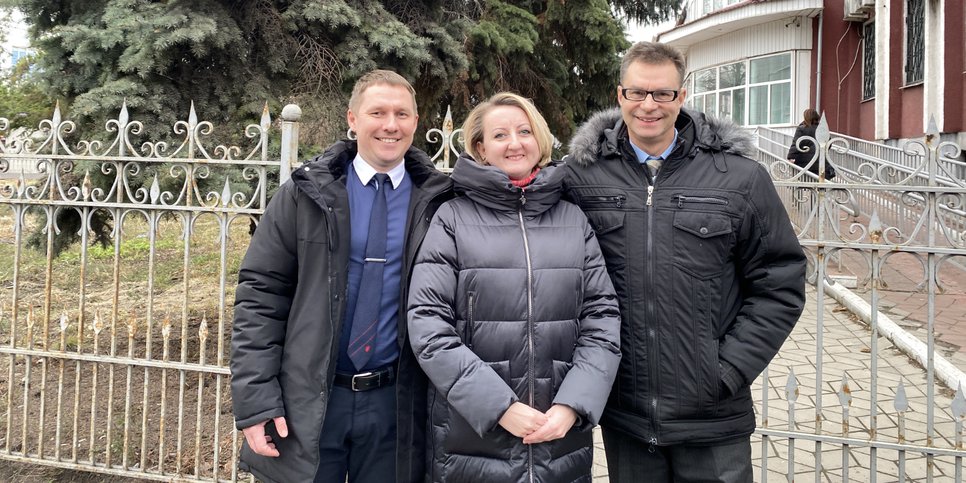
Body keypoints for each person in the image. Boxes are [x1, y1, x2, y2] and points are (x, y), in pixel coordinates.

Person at [563, 41, 807, 483]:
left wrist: (728, 369)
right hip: (627, 410)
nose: (649, 105)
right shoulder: (583, 176)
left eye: (662, 94)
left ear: (682, 96)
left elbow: (780, 282)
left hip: (712, 415)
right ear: (620, 96)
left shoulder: (739, 178)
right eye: (637, 93)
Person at [229, 69, 453, 483]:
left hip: (396, 407)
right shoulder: (305, 194)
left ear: (416, 123)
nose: (390, 125)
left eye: (402, 114)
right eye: (378, 112)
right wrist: (257, 400)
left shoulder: (440, 202)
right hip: (309, 403)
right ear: (352, 119)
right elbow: (261, 295)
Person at [407, 92, 622, 483]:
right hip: (472, 436)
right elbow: (428, 326)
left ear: (539, 140)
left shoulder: (572, 218)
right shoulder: (451, 219)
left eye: (524, 131)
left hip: (559, 435)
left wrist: (573, 404)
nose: (515, 143)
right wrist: (500, 407)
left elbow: (601, 317)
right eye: (500, 134)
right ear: (481, 148)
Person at [787, 108, 835, 180]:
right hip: (820, 161)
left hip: (805, 162)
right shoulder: (822, 129)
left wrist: (791, 157)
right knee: (820, 184)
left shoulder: (802, 129)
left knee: (804, 184)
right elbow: (829, 144)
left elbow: (796, 143)